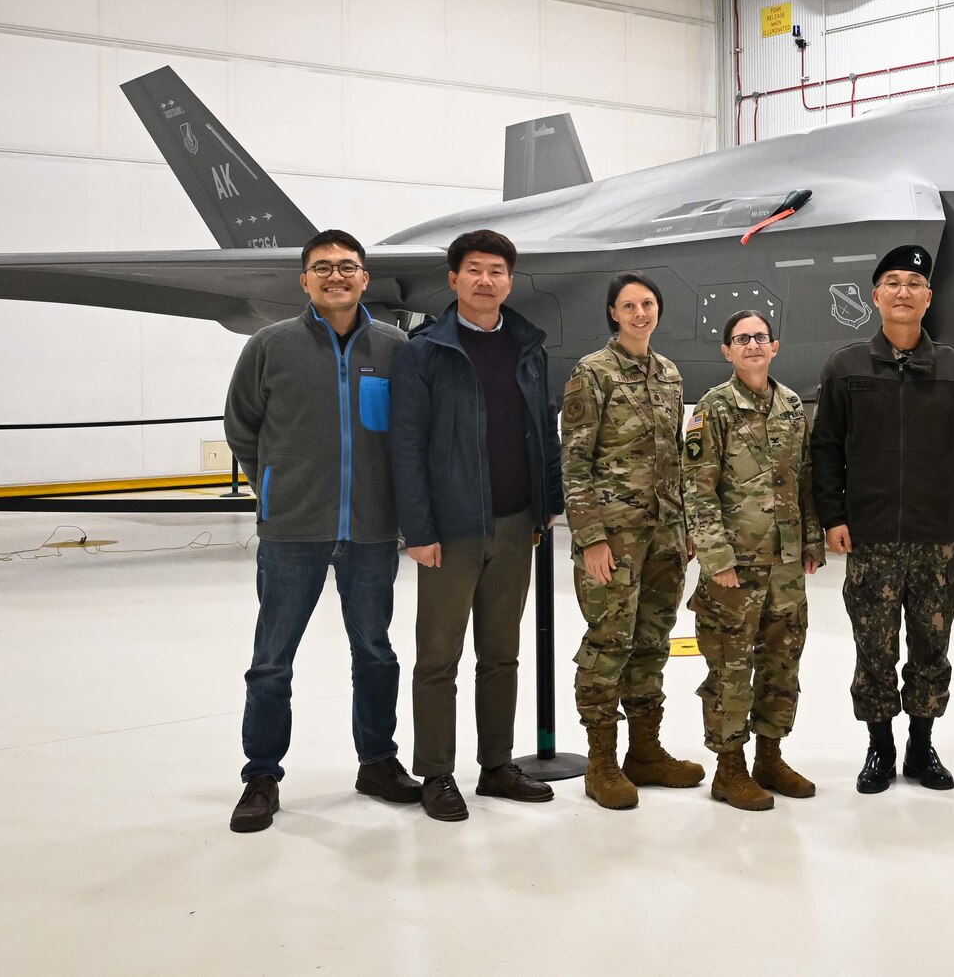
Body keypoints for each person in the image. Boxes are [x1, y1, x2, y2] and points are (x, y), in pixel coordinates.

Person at [223, 229, 417, 832]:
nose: (337, 276)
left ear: (365, 279)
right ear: (304, 280)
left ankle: (378, 762)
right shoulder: (269, 346)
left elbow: (407, 435)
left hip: (371, 533)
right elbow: (242, 427)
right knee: (272, 661)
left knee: (377, 654)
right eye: (323, 268)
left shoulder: (394, 348)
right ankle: (261, 774)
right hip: (292, 531)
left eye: (349, 267)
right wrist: (275, 488)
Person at [390, 230, 564, 822]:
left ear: (510, 281)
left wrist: (546, 507)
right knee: (438, 659)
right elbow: (407, 445)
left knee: (501, 654)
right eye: (474, 270)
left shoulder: (528, 347)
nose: (486, 280)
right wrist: (417, 529)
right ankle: (437, 773)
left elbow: (544, 431)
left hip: (517, 524)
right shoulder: (425, 350)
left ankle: (496, 766)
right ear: (454, 279)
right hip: (452, 530)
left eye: (497, 270)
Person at [811, 244, 954, 794]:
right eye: (892, 283)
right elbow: (825, 449)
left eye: (914, 283)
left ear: (928, 298)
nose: (903, 292)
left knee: (931, 647)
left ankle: (921, 745)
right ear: (876, 297)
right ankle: (879, 748)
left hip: (932, 536)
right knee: (873, 649)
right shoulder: (845, 368)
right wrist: (833, 515)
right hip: (868, 537)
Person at [561, 272, 704, 810]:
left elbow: (675, 456)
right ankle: (601, 763)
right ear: (613, 314)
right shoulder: (592, 374)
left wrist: (686, 526)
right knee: (608, 643)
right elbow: (575, 461)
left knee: (652, 642)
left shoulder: (668, 374)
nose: (640, 313)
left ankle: (645, 752)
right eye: (629, 305)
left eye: (647, 304)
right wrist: (591, 537)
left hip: (666, 536)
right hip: (613, 537)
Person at [682, 311, 825, 811]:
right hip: (735, 567)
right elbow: (696, 490)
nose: (752, 346)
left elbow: (805, 479)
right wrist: (716, 558)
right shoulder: (713, 408)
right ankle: (729, 769)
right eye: (742, 340)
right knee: (730, 669)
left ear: (775, 346)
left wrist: (810, 543)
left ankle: (770, 756)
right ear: (727, 352)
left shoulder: (790, 405)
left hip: (785, 565)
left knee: (782, 664)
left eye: (760, 338)